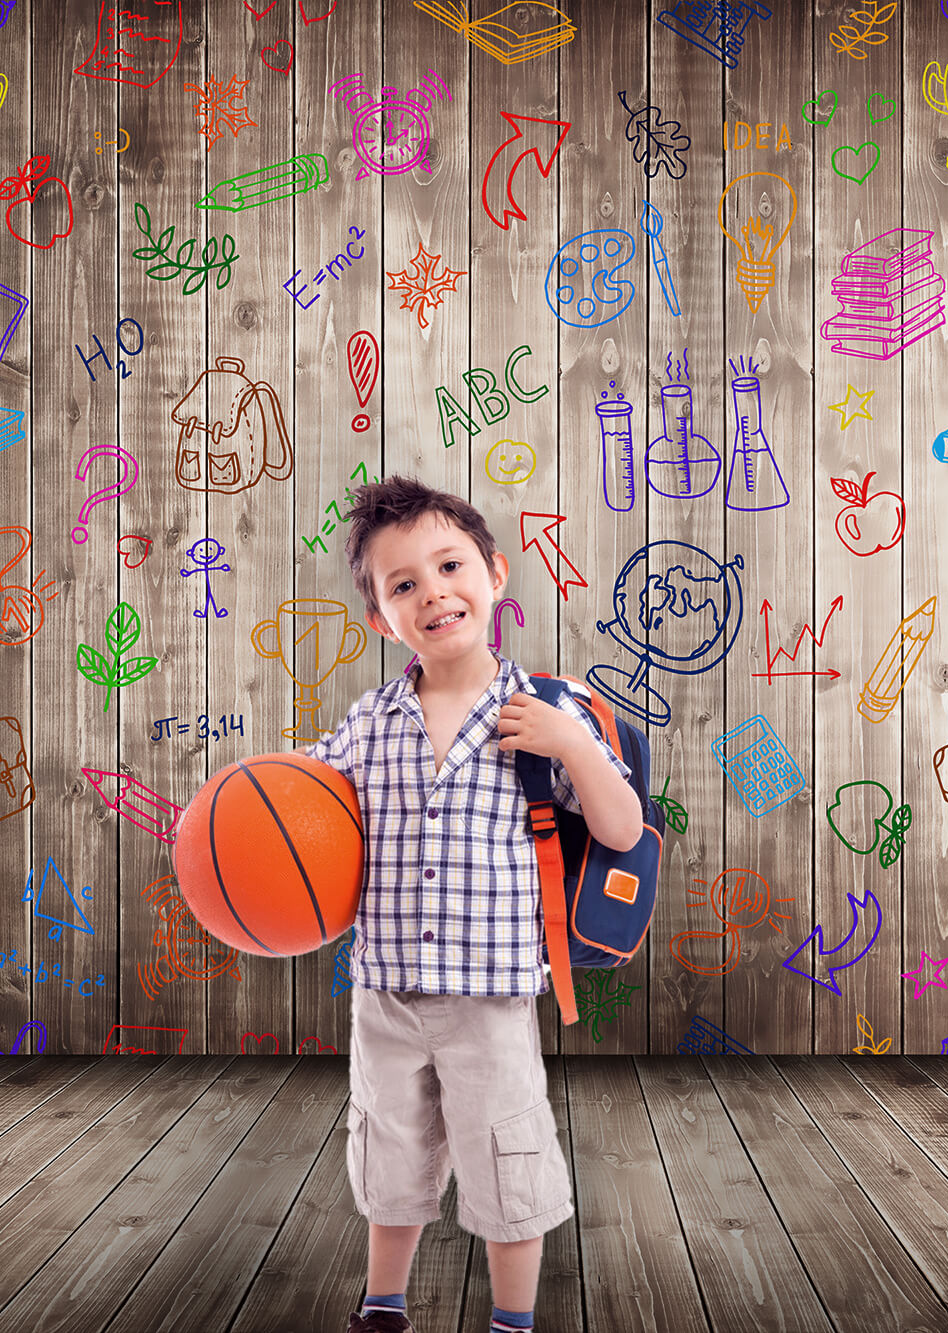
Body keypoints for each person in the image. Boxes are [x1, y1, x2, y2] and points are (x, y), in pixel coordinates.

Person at [304, 475, 643, 1333]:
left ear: (494, 573)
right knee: (391, 1153)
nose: (433, 593)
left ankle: (512, 1319)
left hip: (489, 996)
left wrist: (574, 745)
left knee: (507, 1164)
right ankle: (383, 1306)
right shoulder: (371, 718)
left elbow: (623, 824)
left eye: (450, 565)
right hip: (384, 991)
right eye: (403, 584)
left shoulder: (544, 712)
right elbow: (303, 802)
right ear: (383, 618)